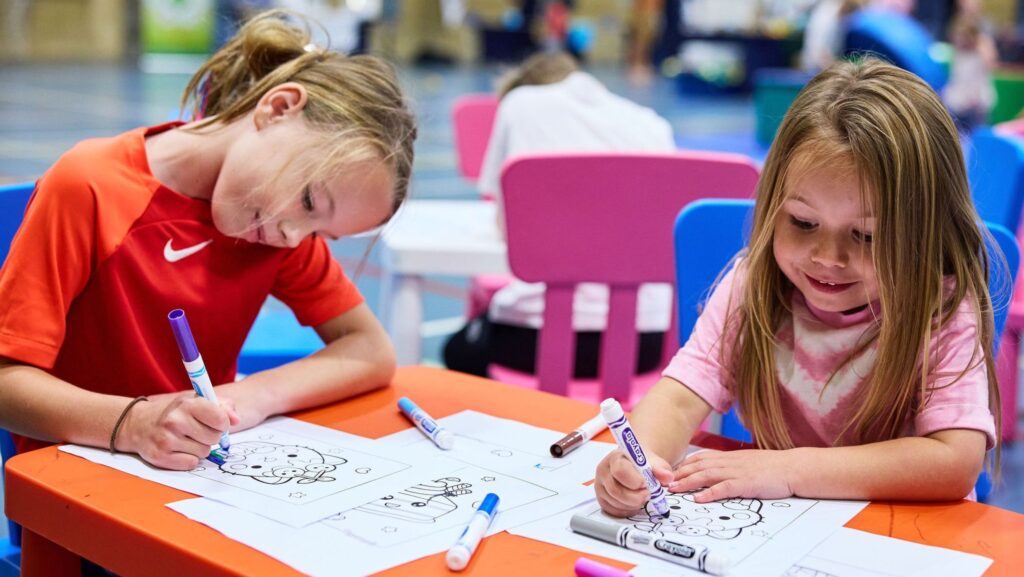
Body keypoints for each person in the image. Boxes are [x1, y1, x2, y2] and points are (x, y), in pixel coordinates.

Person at [0, 10, 416, 471]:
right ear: (277, 108)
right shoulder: (91, 185)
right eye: (308, 200)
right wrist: (133, 423)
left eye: (321, 232)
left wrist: (249, 397)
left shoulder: (277, 230)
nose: (295, 236)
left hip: (195, 484)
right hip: (76, 489)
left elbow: (370, 350)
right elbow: (6, 383)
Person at [595, 57, 1002, 515]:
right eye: (803, 222)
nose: (828, 257)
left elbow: (954, 460)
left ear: (924, 234)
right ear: (773, 206)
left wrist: (790, 471)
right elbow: (680, 396)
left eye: (866, 235)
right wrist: (641, 460)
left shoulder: (941, 307)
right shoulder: (754, 283)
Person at [443, 51, 675, 379]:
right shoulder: (653, 123)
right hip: (647, 342)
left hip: (541, 338)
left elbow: (506, 227)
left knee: (458, 350)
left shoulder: (520, 102)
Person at [941, 0, 997, 133]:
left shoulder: (981, 46)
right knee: (956, 131)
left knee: (977, 132)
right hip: (959, 99)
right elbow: (957, 75)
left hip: (977, 99)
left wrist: (981, 43)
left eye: (963, 37)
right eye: (957, 37)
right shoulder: (958, 51)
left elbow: (990, 63)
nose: (959, 41)